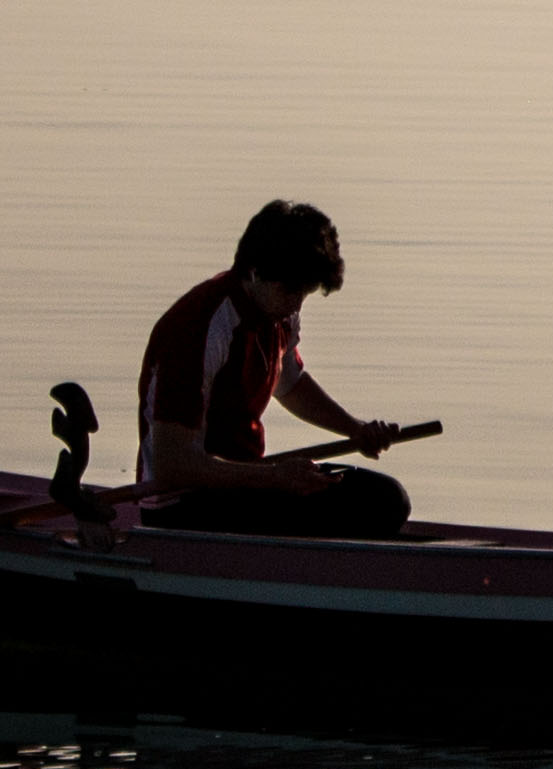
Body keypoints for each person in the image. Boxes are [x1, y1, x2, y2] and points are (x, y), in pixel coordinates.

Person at [136, 199, 426, 538]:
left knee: (386, 499)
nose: (296, 304)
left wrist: (355, 429)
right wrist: (275, 477)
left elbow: (290, 384)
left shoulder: (278, 313)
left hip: (248, 483)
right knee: (380, 503)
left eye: (305, 292)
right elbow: (174, 465)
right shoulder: (200, 327)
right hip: (184, 505)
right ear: (255, 271)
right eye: (290, 290)